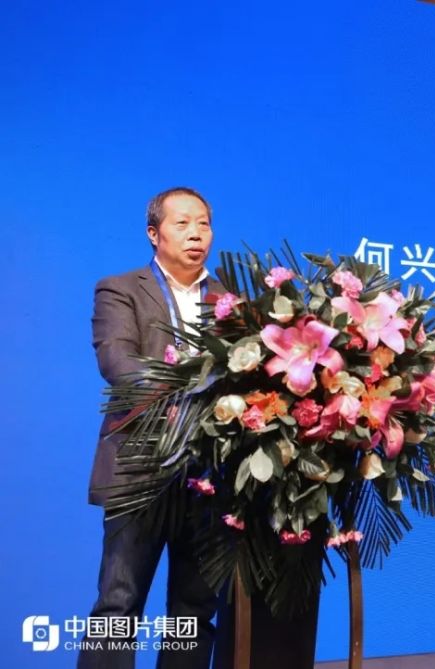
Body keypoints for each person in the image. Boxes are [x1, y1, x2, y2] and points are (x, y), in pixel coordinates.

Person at [79, 186, 223, 669]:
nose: (196, 233)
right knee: (118, 606)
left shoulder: (233, 300)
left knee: (194, 612)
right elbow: (118, 363)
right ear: (154, 233)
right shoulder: (120, 289)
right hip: (140, 469)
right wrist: (192, 388)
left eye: (203, 223)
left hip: (210, 475)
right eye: (182, 223)